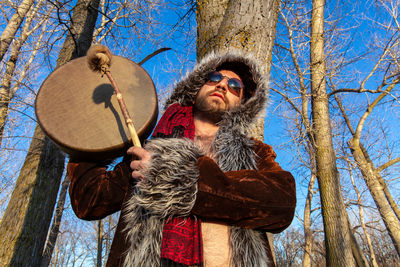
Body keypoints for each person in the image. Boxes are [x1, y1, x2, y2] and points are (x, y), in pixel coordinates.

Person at [68, 50, 296, 267]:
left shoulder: (255, 152)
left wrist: (180, 179)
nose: (223, 84)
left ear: (244, 103)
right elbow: (90, 200)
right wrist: (89, 131)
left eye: (235, 86)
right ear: (196, 86)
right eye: (214, 77)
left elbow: (281, 203)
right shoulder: (150, 148)